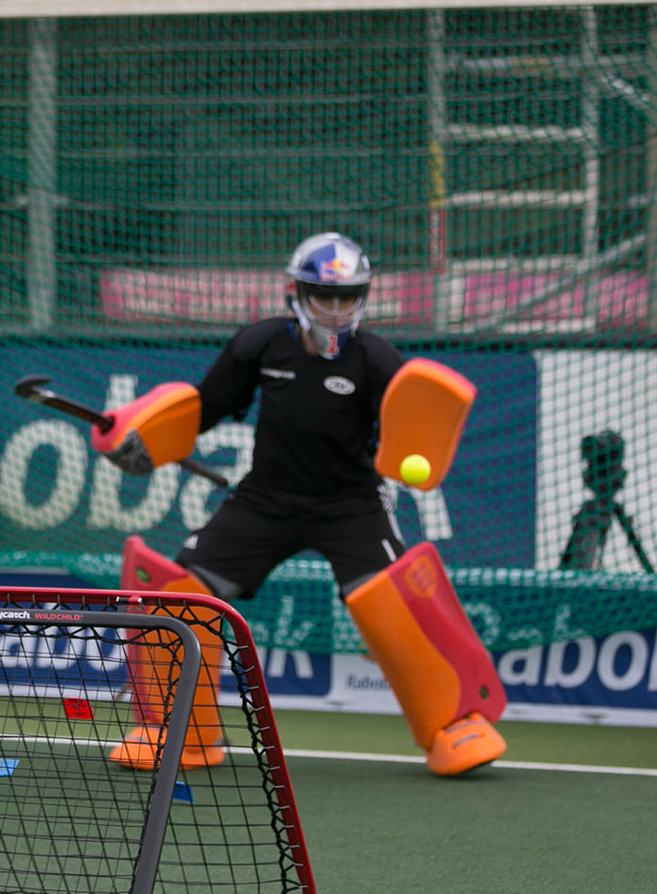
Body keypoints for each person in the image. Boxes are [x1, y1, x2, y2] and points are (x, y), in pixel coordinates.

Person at [92, 232, 506, 777]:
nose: (335, 310)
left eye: (348, 296)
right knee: (182, 590)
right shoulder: (260, 346)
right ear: (295, 292)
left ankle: (456, 725)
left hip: (350, 505)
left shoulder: (377, 360)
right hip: (265, 501)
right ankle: (178, 732)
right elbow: (203, 410)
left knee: (395, 601)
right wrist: (142, 442)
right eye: (322, 296)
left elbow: (413, 437)